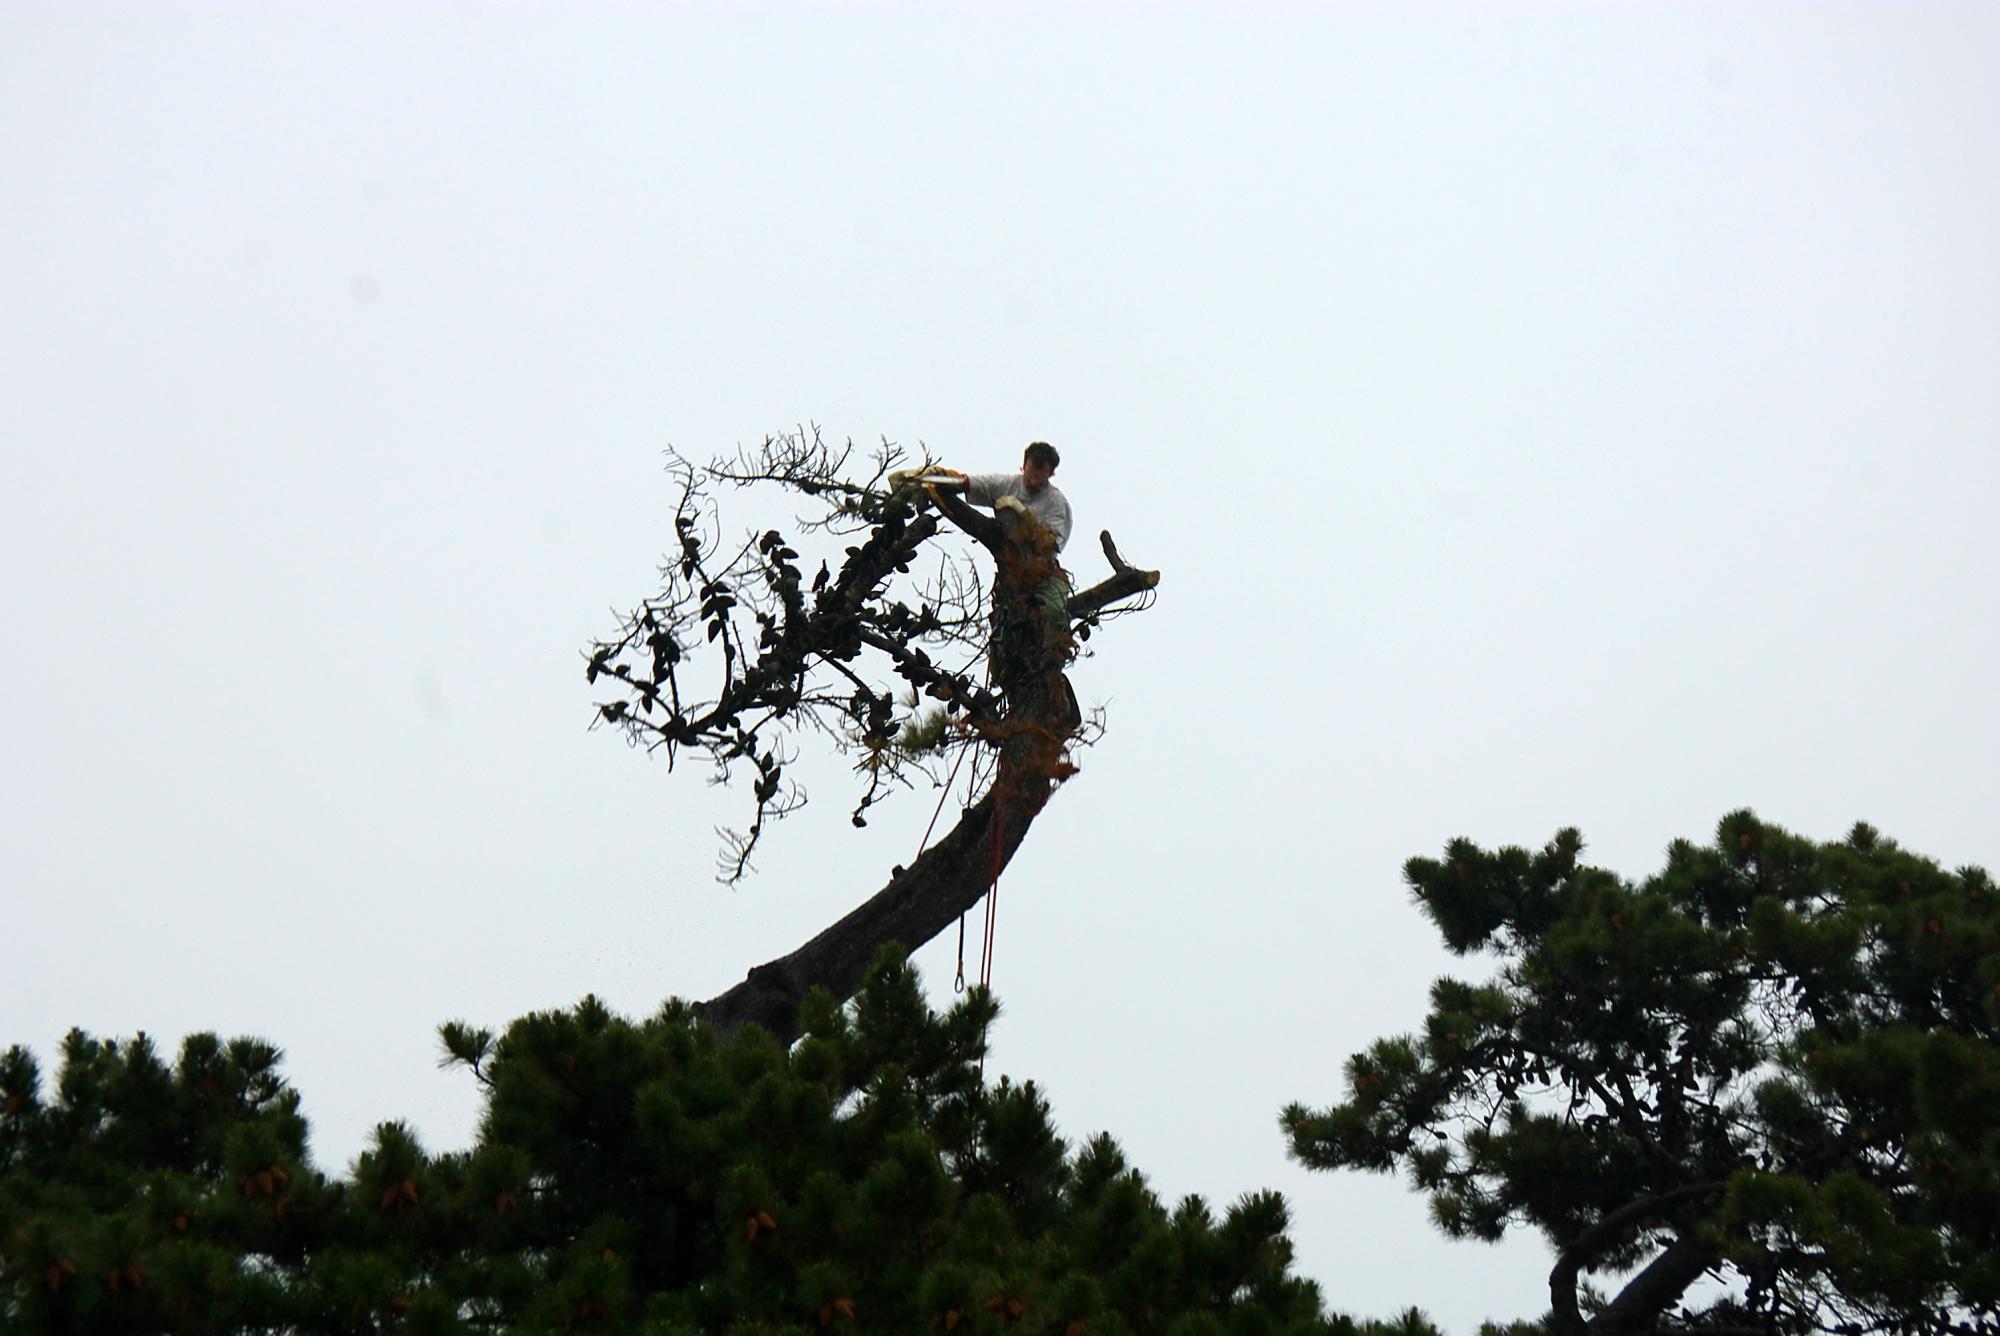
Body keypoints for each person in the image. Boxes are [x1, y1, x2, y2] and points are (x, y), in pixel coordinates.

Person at [950, 441, 1072, 554]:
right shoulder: (1007, 485)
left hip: (1039, 569)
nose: (1034, 482)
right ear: (1024, 466)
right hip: (1006, 557)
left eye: (1041, 478)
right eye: (1031, 475)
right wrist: (952, 480)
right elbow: (979, 484)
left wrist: (1023, 513)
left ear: (1051, 474)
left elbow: (1051, 545)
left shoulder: (1056, 502)